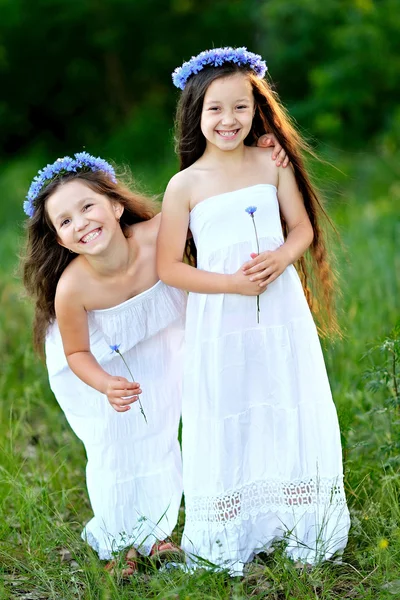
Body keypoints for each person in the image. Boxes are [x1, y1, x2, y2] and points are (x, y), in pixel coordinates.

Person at [21, 145, 285, 575]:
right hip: (97, 365)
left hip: (161, 341)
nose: (81, 223)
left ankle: (156, 534)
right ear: (57, 238)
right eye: (65, 221)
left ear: (116, 204)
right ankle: (120, 542)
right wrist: (105, 384)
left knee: (160, 429)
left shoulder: (159, 235)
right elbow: (76, 352)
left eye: (88, 206)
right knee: (117, 445)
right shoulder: (73, 288)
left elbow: (213, 199)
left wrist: (257, 152)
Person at [157, 47, 350, 575]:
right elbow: (170, 267)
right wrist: (230, 284)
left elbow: (302, 230)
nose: (229, 120)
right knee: (232, 404)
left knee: (282, 397)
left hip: (280, 313)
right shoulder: (185, 185)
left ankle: (297, 519)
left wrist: (281, 258)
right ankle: (233, 529)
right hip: (222, 319)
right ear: (196, 115)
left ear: (256, 109)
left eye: (240, 108)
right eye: (215, 109)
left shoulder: (271, 162)